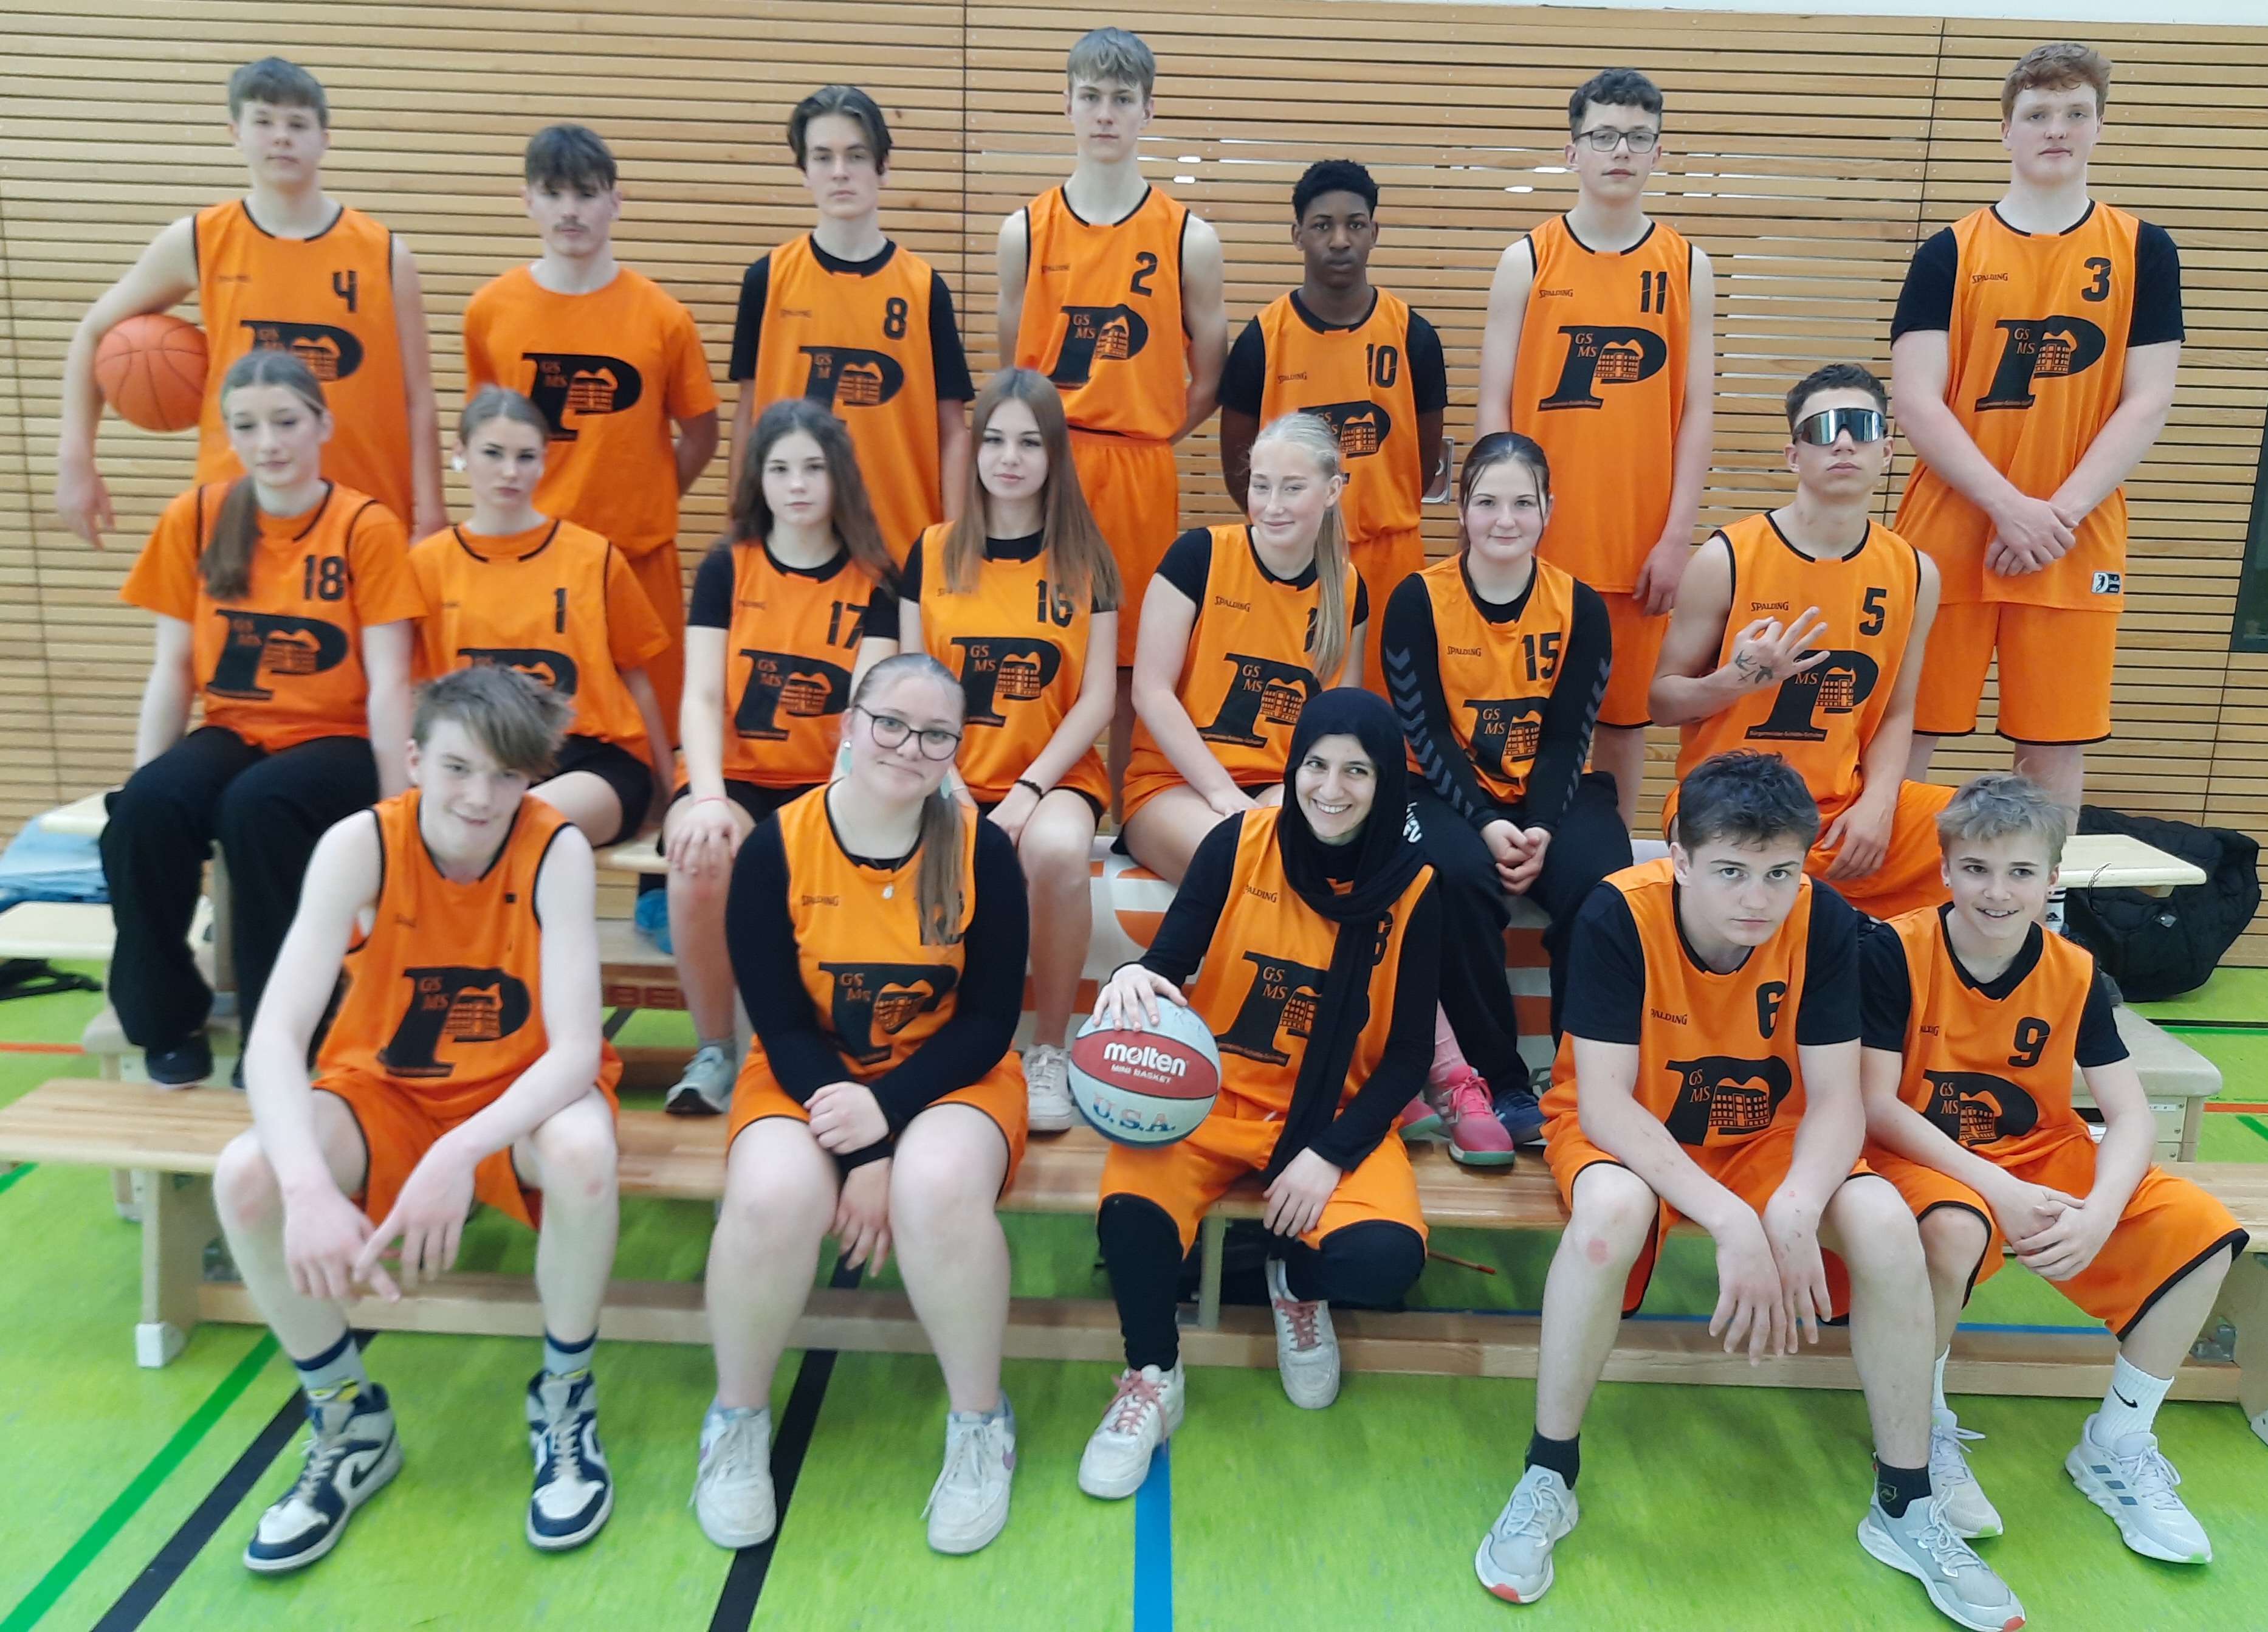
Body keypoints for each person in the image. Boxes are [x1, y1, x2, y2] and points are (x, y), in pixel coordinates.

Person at [1474, 752, 2024, 1632]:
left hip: (1767, 1130)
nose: (1757, 898)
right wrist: (1735, 1221)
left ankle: (1906, 1499)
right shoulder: (1617, 911)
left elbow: (1837, 1099)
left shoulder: (1824, 918)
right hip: (1635, 1121)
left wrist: (1796, 1206)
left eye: (1779, 873)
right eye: (1731, 871)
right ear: (1681, 858)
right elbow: (1606, 1101)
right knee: (1610, 1215)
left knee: (1885, 1221)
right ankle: (1550, 1473)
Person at [210, 665, 622, 1571]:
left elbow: (574, 1052)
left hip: (514, 1089)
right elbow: (274, 1037)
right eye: (458, 768)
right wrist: (307, 1190)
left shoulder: (554, 849)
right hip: (386, 1089)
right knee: (247, 1177)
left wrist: (456, 1155)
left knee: (585, 1152)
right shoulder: (359, 844)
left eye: (506, 776)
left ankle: (564, 1398)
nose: (481, 797)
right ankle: (348, 1419)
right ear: (413, 760)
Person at [693, 654, 1029, 1556]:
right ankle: (736, 1420)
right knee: (770, 1198)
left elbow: (991, 1019)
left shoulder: (981, 849)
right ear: (849, 724)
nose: (909, 747)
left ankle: (979, 1423)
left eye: (935, 735)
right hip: (808, 1067)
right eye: (891, 723)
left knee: (939, 1188)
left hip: (949, 1072)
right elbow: (778, 1022)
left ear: (956, 749)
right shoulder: (777, 847)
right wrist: (865, 1151)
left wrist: (888, 1114)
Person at [1860, 773, 2244, 1562]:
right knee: (1953, 1230)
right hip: (1916, 1149)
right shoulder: (1892, 950)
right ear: (1946, 869)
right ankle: (1923, 1427)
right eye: (1977, 869)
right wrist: (1998, 1189)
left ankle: (2118, 1442)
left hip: (2039, 1150)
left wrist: (2101, 1211)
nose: (1997, 891)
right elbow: (1875, 1105)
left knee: (2201, 1230)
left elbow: (2130, 1115)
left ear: (2052, 879)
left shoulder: (2073, 969)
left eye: (2021, 872)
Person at [1077, 688, 1440, 1496]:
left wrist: (1329, 1154)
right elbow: (1168, 963)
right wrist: (1135, 978)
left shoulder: (1416, 888)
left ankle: (1295, 1286)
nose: (1331, 788)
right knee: (1129, 1216)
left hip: (1335, 1116)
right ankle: (1153, 1375)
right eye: (1316, 764)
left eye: (1357, 771)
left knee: (1384, 1260)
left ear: (1387, 782)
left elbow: (1409, 1054)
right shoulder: (1239, 843)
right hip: (1212, 1102)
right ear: (1294, 765)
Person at [104, 349, 418, 1086]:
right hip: (235, 729)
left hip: (339, 738)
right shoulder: (196, 518)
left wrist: (394, 807)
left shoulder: (365, 526)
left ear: (323, 425)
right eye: (246, 426)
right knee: (144, 810)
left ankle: (279, 1034)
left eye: (286, 421)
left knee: (259, 807)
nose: (268, 442)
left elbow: (390, 680)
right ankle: (164, 1019)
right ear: (228, 434)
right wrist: (147, 780)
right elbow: (173, 668)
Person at [1891, 43, 2182, 815]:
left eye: (2076, 113)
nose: (2058, 129)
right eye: (2039, 114)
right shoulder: (1949, 251)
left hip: (2074, 531)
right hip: (1952, 524)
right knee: (1906, 728)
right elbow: (1916, 401)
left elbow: (2148, 400)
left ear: (2099, 126)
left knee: (2054, 742)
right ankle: (1891, 885)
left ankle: (2039, 890)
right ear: (2006, 130)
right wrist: (2008, 507)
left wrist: (2055, 515)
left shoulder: (2143, 249)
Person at [54, 55, 442, 547]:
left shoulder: (385, 254)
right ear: (235, 132)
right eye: (263, 121)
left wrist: (431, 514)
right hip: (235, 514)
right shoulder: (197, 241)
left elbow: (417, 398)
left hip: (363, 513)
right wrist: (75, 460)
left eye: (297, 124)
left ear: (325, 139)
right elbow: (93, 332)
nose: (281, 137)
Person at [1475, 67, 1716, 828]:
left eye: (1638, 138)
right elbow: (1493, 407)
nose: (1621, 151)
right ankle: (1514, 853)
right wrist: (1496, 525)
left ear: (1658, 152)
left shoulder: (1687, 265)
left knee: (1621, 722)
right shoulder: (1527, 259)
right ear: (1572, 150)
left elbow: (1697, 411)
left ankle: (1604, 863)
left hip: (1637, 545)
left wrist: (1677, 536)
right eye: (1604, 135)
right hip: (1536, 539)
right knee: (1521, 713)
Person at [998, 26, 1228, 792]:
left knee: (1133, 658)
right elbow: (1013, 371)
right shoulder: (1024, 232)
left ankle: (1130, 817)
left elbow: (1209, 378)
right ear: (1066, 104)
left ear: (1147, 111)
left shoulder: (1190, 238)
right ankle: (1027, 800)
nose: (1105, 114)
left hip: (1136, 467)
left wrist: (1146, 435)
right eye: (1091, 97)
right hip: (1046, 465)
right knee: (1037, 639)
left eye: (1122, 99)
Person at [1383, 432, 1626, 1157]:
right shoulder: (1418, 599)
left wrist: (1542, 828)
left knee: (1605, 881)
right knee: (1454, 876)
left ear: (1549, 509)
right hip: (1440, 788)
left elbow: (1568, 738)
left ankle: (1584, 1084)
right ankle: (1501, 1080)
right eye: (1488, 502)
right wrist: (1488, 823)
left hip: (1550, 794)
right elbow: (1425, 730)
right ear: (1462, 509)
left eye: (1524, 503)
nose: (1506, 520)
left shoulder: (1580, 606)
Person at [661, 400, 898, 1115]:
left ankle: (821, 1047)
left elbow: (865, 719)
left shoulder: (876, 579)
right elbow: (701, 696)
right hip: (732, 777)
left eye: (814, 468)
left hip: (830, 783)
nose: (797, 484)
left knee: (837, 865)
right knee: (699, 856)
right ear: (758, 480)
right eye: (780, 468)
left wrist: (832, 810)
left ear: (840, 477)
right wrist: (706, 798)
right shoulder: (725, 568)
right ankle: (714, 1051)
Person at [900, 369, 1121, 1134]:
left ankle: (1049, 1049)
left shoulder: (1087, 558)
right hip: (939, 770)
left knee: (1057, 851)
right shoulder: (931, 552)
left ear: (1055, 453)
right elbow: (911, 685)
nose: (1009, 458)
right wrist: (949, 784)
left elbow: (1097, 698)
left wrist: (1027, 792)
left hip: (1051, 775)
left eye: (1029, 442)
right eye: (994, 440)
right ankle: (927, 1044)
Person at [1651, 363, 1951, 920]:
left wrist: (1879, 804)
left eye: (1862, 426)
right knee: (1766, 876)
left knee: (1979, 837)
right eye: (1823, 429)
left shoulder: (1915, 572)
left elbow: (1896, 709)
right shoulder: (1726, 558)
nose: (1843, 442)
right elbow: (1662, 702)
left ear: (1886, 451)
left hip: (1839, 806)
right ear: (1794, 456)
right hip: (1726, 799)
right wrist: (1732, 681)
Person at [462, 122, 721, 733]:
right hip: (530, 561)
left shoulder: (664, 318)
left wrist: (649, 499)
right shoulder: (490, 311)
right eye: (553, 194)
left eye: (586, 193)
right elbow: (483, 435)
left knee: (654, 738)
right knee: (529, 738)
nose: (570, 210)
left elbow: (702, 435)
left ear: (615, 201)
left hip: (638, 561)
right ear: (528, 200)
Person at [1220, 159, 1448, 698]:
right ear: (1298, 234)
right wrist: (1290, 524)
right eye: (1322, 225)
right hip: (1294, 551)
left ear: (1374, 232)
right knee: (1292, 702)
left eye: (1355, 224)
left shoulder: (1413, 335)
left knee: (1390, 710)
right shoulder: (1262, 339)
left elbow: (1421, 464)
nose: (1340, 239)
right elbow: (1239, 468)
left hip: (1391, 555)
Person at [408, 387, 673, 849]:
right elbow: (410, 691)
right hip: (476, 759)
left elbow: (638, 680)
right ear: (460, 452)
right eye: (493, 453)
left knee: (509, 824)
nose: (510, 471)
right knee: (470, 821)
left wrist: (670, 792)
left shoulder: (593, 558)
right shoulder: (426, 565)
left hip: (589, 761)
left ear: (544, 461)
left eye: (526, 456)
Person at [1120, 412, 1367, 884]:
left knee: (1328, 857)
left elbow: (1338, 721)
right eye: (1261, 486)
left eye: (1292, 488)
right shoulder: (1199, 556)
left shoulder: (1348, 588)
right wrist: (1221, 791)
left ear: (1332, 491)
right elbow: (1150, 692)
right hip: (1175, 785)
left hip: (1280, 785)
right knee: (1241, 857)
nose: (1272, 505)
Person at [730, 84, 974, 559]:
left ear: (883, 167)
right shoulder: (768, 279)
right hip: (790, 550)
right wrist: (741, 531)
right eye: (823, 157)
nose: (840, 172)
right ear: (804, 171)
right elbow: (747, 415)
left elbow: (952, 432)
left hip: (901, 550)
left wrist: (955, 542)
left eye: (856, 156)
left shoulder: (925, 288)